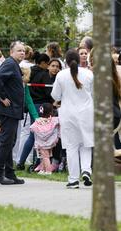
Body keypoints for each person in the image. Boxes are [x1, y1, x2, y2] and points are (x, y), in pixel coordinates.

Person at [51, 49, 93, 189]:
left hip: (68, 115)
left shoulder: (61, 75)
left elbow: (55, 95)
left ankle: (74, 179)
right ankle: (86, 170)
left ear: (66, 62)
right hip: (86, 113)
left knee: (71, 147)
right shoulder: (88, 74)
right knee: (86, 144)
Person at [0, 41, 26, 185]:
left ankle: (10, 173)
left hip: (14, 109)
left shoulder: (14, 65)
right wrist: (2, 96)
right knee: (6, 142)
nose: (22, 53)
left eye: (24, 51)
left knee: (10, 142)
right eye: (19, 50)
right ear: (11, 52)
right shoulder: (9, 63)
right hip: (9, 109)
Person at [30, 103, 59, 175]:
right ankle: (42, 169)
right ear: (51, 112)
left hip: (41, 143)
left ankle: (48, 171)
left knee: (45, 157)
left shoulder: (38, 121)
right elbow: (59, 121)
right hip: (50, 142)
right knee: (46, 157)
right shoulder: (53, 120)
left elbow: (31, 128)